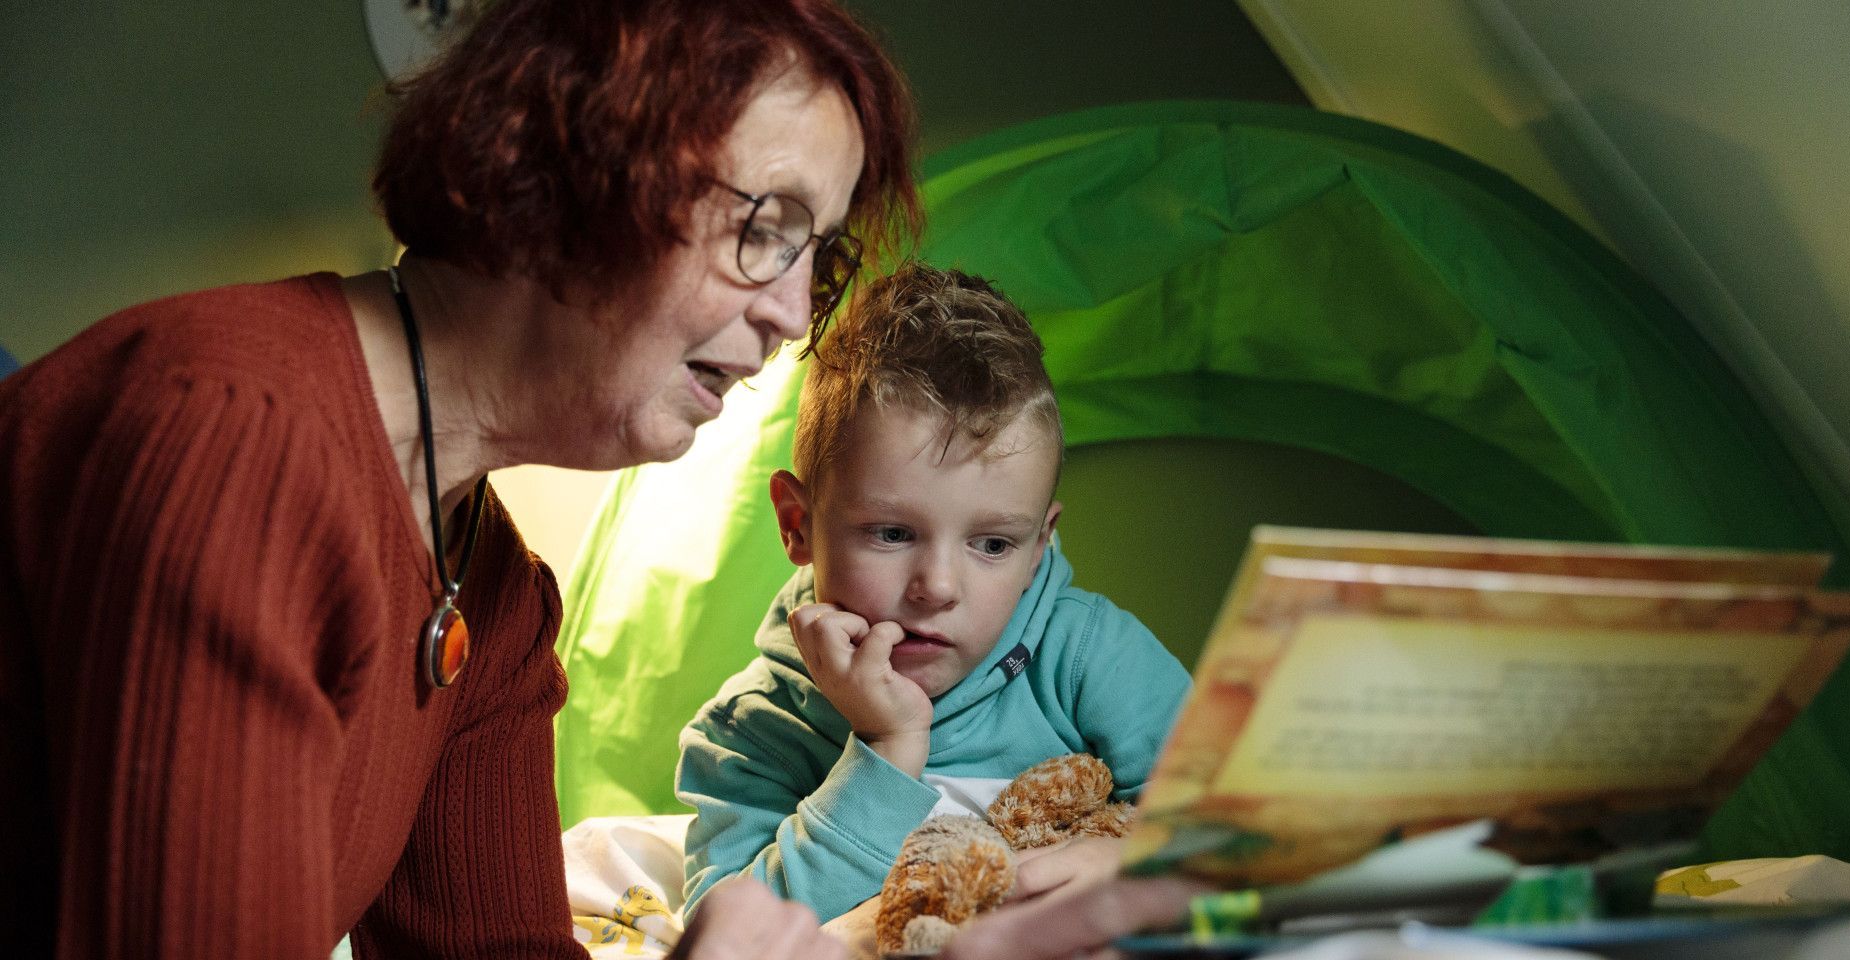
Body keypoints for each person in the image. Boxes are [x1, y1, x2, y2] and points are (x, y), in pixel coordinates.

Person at [0, 1, 916, 957]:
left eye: (822, 256)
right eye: (769, 228)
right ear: (576, 168)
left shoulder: (497, 596)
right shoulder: (236, 440)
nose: (795, 311)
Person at [676, 264, 1194, 924]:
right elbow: (728, 938)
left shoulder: (1091, 657)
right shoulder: (757, 729)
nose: (939, 587)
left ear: (1040, 546)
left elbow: (1243, 826)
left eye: (994, 545)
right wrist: (887, 750)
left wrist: (1130, 860)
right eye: (892, 532)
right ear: (797, 525)